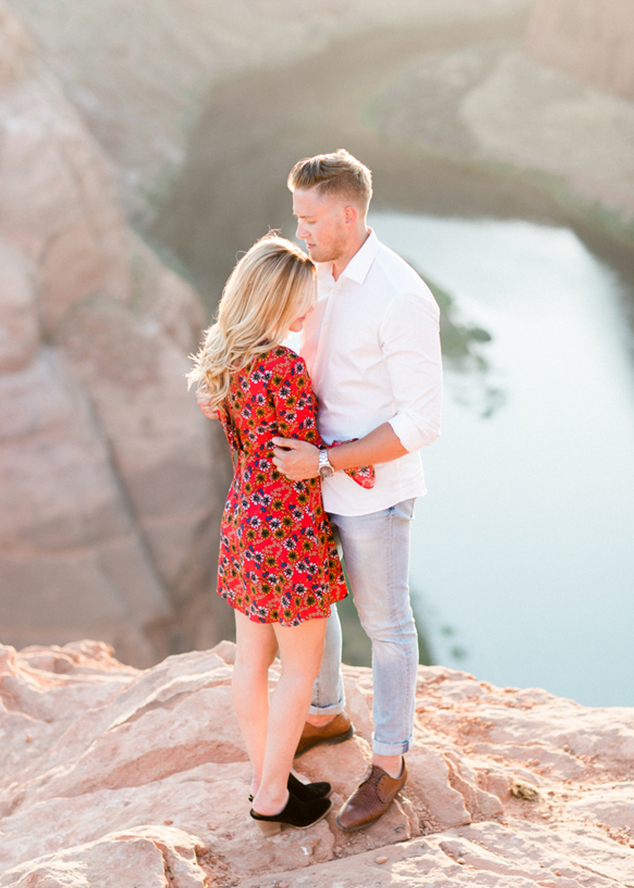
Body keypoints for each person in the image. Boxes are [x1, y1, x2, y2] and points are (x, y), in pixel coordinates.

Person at [271, 149, 443, 831]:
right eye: (296, 218)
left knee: (387, 627)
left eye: (310, 219)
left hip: (370, 488)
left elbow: (422, 422)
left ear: (348, 214)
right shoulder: (313, 271)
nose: (300, 230)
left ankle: (392, 761)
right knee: (314, 605)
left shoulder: (400, 296)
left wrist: (328, 460)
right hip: (309, 476)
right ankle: (326, 712)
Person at [188, 234, 353, 837]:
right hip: (288, 534)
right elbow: (305, 454)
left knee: (250, 663)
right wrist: (354, 456)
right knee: (299, 672)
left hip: (245, 524)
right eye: (302, 301)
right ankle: (270, 795)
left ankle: (269, 781)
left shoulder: (227, 364)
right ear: (276, 298)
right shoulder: (283, 368)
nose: (308, 310)